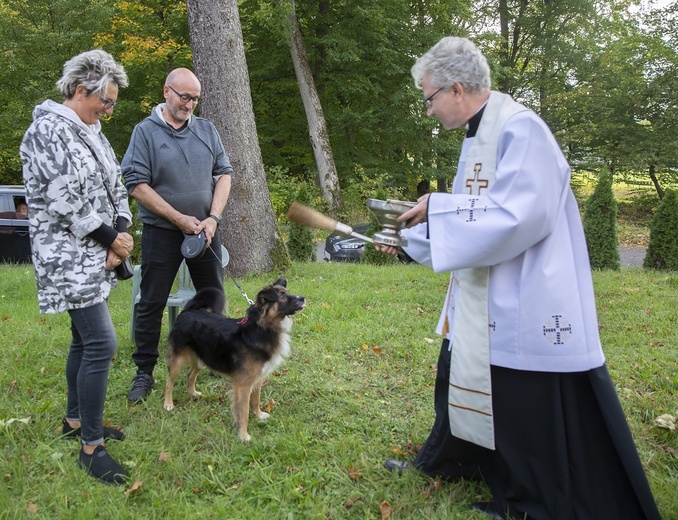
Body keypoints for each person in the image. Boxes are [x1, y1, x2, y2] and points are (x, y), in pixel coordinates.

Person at [378, 37, 661, 520]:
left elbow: (516, 217)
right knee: (457, 371)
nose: (427, 110)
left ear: (458, 88)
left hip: (524, 291)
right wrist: (413, 241)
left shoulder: (520, 129)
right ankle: (452, 461)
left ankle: (529, 499)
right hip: (485, 289)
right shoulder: (480, 134)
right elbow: (478, 219)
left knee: (519, 397)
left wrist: (439, 209)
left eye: (429, 98)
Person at [20, 50, 133, 485]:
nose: (108, 109)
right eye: (105, 101)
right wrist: (112, 240)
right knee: (102, 343)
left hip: (101, 250)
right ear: (80, 90)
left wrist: (120, 230)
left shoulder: (93, 130)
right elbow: (63, 201)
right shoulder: (46, 131)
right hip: (68, 257)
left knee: (83, 341)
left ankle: (74, 421)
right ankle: (90, 447)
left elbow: (115, 184)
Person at [121, 68, 233, 402]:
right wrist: (177, 218)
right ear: (167, 91)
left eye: (196, 99)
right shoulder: (145, 132)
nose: (190, 105)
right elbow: (136, 185)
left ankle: (217, 359)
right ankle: (144, 373)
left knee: (214, 298)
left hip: (206, 232)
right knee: (151, 301)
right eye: (185, 97)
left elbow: (224, 174)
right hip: (161, 232)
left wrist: (213, 218)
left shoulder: (206, 130)